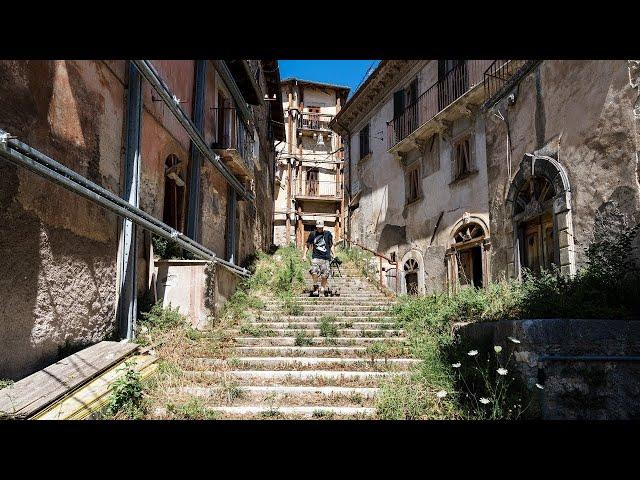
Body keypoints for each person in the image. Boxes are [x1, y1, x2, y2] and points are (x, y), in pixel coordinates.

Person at [302, 220, 335, 296]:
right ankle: (315, 286)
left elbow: (331, 245)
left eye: (321, 228)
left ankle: (322, 289)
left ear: (323, 227)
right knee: (313, 271)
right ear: (316, 227)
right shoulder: (313, 234)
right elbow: (307, 245)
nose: (319, 229)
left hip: (326, 257)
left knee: (325, 274)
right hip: (315, 257)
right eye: (318, 228)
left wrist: (334, 255)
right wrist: (304, 255)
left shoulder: (327, 234)